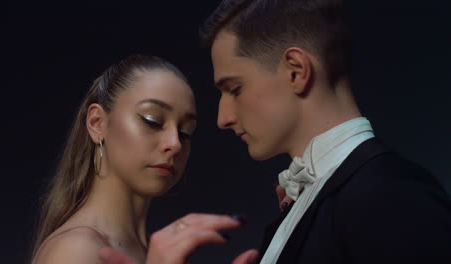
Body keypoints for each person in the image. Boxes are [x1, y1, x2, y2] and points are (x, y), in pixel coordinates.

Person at [102, 0, 451, 263]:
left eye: (233, 88)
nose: (222, 117)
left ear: (296, 71)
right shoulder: (316, 201)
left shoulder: (388, 197)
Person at [30, 54, 245, 264]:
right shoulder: (77, 250)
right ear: (97, 123)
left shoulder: (147, 251)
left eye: (186, 131)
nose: (175, 143)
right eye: (152, 120)